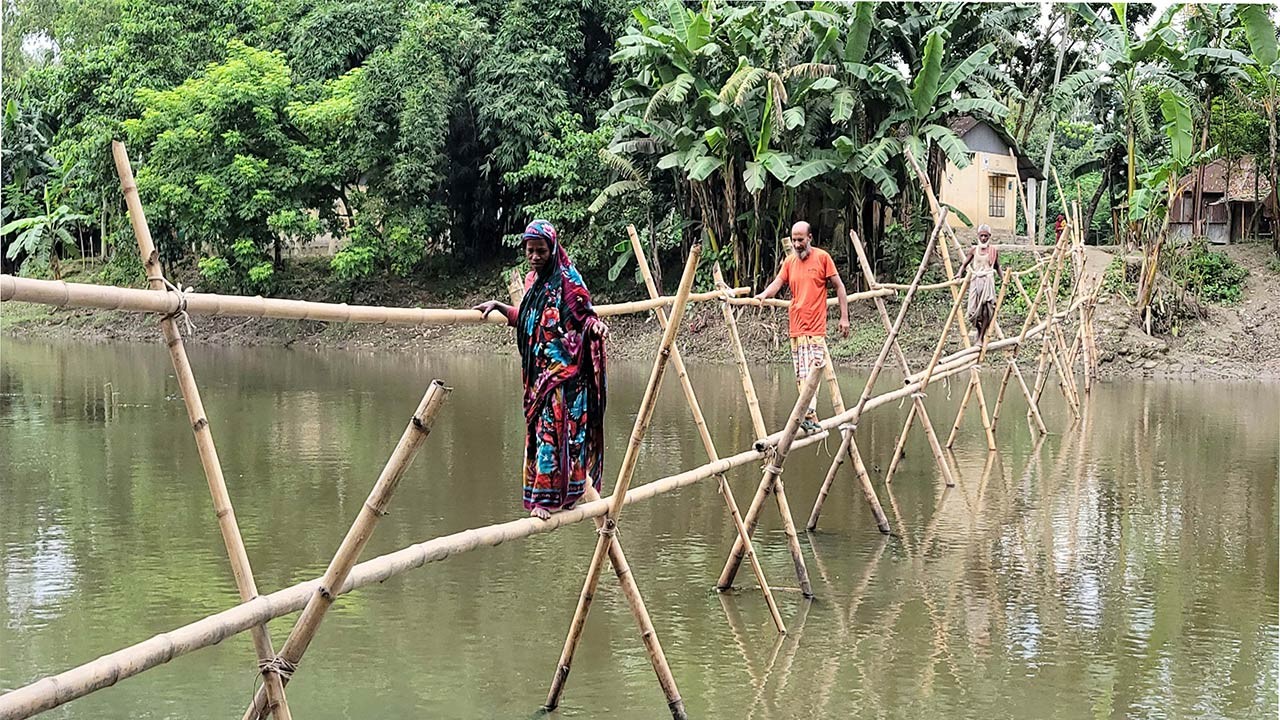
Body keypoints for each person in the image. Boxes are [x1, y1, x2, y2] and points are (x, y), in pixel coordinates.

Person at [473, 220, 609, 520]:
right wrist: (498, 305)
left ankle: (546, 502)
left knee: (562, 435)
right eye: (530, 251)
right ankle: (556, 496)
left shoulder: (569, 280)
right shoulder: (533, 281)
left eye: (541, 251)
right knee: (542, 433)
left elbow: (584, 317)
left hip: (566, 376)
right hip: (538, 377)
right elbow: (527, 319)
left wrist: (595, 328)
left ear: (553, 248)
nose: (535, 257)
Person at [753, 221, 850, 433]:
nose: (797, 244)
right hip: (795, 325)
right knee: (800, 373)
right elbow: (777, 283)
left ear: (810, 238)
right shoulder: (789, 262)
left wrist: (844, 317)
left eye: (800, 240)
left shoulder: (822, 258)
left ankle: (809, 414)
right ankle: (810, 416)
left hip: (815, 327)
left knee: (812, 372)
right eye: (794, 240)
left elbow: (839, 286)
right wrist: (763, 295)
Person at [958, 224, 1002, 343]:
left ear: (989, 236)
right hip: (976, 280)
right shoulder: (974, 250)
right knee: (972, 312)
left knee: (986, 309)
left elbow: (997, 266)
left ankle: (981, 337)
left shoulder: (993, 251)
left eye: (985, 236)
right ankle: (978, 329)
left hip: (988, 281)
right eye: (981, 236)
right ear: (978, 236)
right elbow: (964, 264)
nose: (983, 238)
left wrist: (1003, 279)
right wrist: (959, 273)